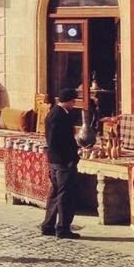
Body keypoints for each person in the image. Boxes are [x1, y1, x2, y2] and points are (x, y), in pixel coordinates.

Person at [41, 87, 81, 240]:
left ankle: (48, 225)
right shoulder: (59, 115)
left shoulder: (55, 113)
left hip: (55, 160)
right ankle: (63, 228)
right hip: (62, 162)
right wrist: (69, 159)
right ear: (70, 101)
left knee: (55, 193)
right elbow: (56, 141)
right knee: (65, 195)